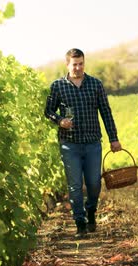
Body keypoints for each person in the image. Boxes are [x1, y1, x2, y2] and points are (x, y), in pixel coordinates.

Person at [45, 48, 122, 237]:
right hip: (69, 144)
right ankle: (80, 223)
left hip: (92, 142)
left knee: (94, 183)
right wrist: (59, 120)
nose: (78, 68)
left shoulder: (95, 84)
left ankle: (91, 211)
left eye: (81, 64)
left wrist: (113, 138)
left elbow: (106, 112)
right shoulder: (58, 86)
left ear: (84, 63)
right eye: (74, 64)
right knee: (75, 185)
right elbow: (48, 111)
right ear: (67, 65)